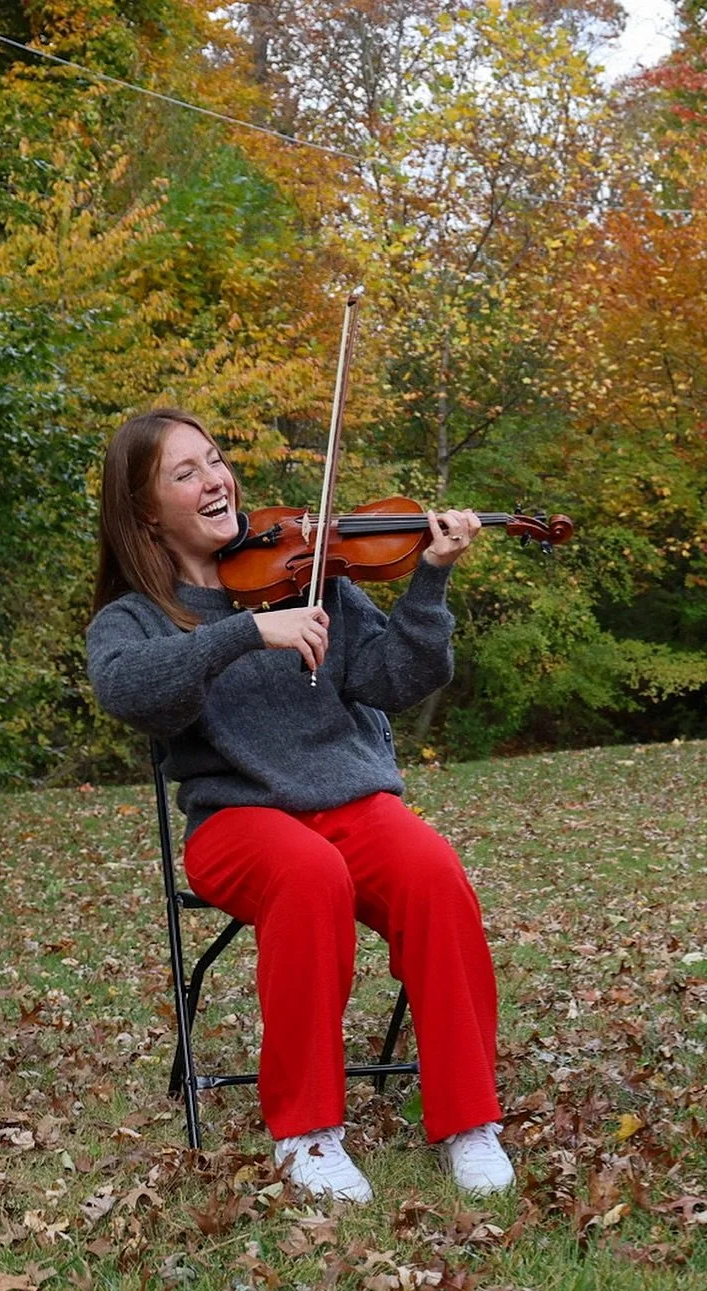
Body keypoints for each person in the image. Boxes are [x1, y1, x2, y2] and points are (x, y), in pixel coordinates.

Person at [87, 407, 513, 1203]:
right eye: (186, 472)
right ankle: (306, 1135)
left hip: (350, 801)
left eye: (215, 459)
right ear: (146, 510)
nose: (215, 479)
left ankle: (469, 1120)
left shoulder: (312, 573)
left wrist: (431, 579)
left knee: (431, 870)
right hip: (237, 821)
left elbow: (394, 678)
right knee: (309, 873)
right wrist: (248, 633)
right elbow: (129, 691)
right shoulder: (136, 616)